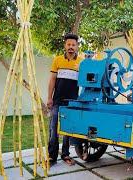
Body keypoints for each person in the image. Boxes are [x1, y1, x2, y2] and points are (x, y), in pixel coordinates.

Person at [47, 33, 82, 166]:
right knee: (53, 129)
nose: (71, 47)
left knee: (67, 130)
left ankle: (65, 154)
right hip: (57, 101)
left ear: (77, 46)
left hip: (72, 102)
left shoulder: (81, 62)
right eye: (69, 44)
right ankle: (52, 156)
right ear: (65, 46)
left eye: (73, 45)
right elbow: (52, 80)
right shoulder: (57, 60)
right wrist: (49, 98)